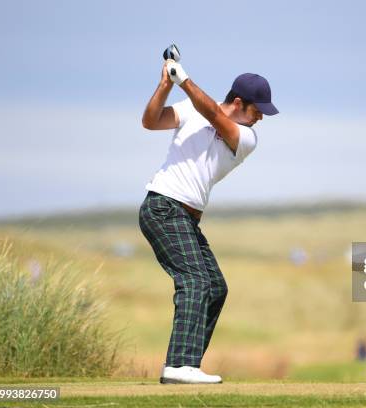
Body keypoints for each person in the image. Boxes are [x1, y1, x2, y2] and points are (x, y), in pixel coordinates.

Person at [138, 57, 278, 384]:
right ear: (240, 103)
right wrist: (165, 85)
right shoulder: (191, 108)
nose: (260, 119)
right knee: (196, 281)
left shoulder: (246, 138)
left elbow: (213, 115)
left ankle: (185, 367)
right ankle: (180, 366)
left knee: (215, 287)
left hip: (184, 219)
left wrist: (183, 78)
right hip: (163, 207)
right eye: (258, 111)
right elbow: (150, 121)